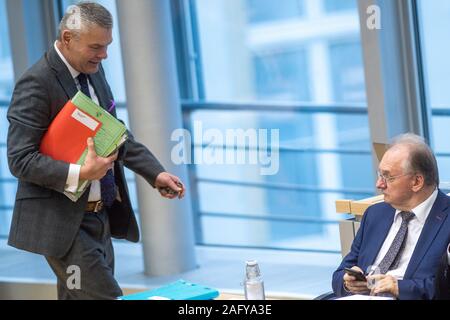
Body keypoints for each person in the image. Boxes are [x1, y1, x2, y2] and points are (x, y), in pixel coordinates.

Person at [7, 2, 185, 300]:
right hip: (65, 226)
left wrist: (155, 173)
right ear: (67, 39)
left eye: (107, 46)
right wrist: (81, 173)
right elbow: (19, 160)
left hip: (99, 217)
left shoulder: (93, 72)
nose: (104, 55)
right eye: (96, 47)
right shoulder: (36, 83)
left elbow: (114, 133)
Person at [332, 133, 450, 300]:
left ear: (417, 182)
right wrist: (347, 282)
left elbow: (444, 289)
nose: (379, 184)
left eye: (388, 177)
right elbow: (339, 274)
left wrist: (398, 287)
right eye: (380, 175)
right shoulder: (375, 214)